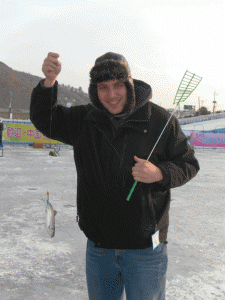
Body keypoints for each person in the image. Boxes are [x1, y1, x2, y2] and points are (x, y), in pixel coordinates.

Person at [30, 52, 200, 300]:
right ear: (94, 90)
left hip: (146, 251)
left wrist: (160, 173)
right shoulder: (83, 120)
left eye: (118, 85)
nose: (111, 95)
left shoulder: (160, 120)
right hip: (100, 248)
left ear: (129, 84)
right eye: (103, 87)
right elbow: (46, 119)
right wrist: (49, 82)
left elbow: (188, 163)